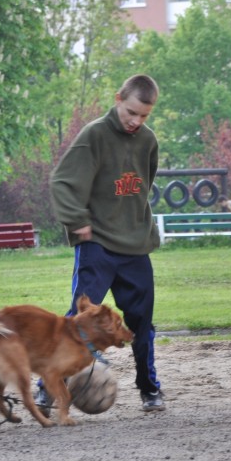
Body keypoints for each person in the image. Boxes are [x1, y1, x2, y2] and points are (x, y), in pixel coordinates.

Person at [42, 74, 166, 413]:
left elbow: (144, 184)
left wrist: (132, 222)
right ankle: (48, 387)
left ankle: (149, 388)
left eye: (144, 115)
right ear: (118, 99)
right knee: (79, 319)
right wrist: (77, 219)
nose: (136, 121)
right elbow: (62, 181)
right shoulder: (94, 135)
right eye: (131, 112)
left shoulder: (148, 141)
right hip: (96, 244)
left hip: (135, 246)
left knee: (141, 324)